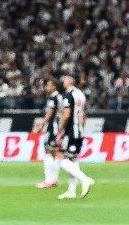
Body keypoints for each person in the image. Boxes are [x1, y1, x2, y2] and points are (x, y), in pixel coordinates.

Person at [56, 72, 94, 201]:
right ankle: (71, 191)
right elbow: (84, 113)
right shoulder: (81, 94)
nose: (63, 82)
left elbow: (66, 114)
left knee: (60, 158)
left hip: (70, 131)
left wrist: (60, 130)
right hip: (79, 130)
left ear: (70, 81)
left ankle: (85, 179)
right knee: (73, 160)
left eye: (65, 79)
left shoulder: (69, 95)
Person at [32, 76, 63, 188]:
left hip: (52, 128)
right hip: (56, 127)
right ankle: (53, 180)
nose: (46, 87)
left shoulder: (53, 98)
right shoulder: (60, 97)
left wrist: (42, 124)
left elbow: (50, 113)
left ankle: (49, 180)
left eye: (48, 85)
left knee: (49, 152)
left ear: (54, 86)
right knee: (53, 153)